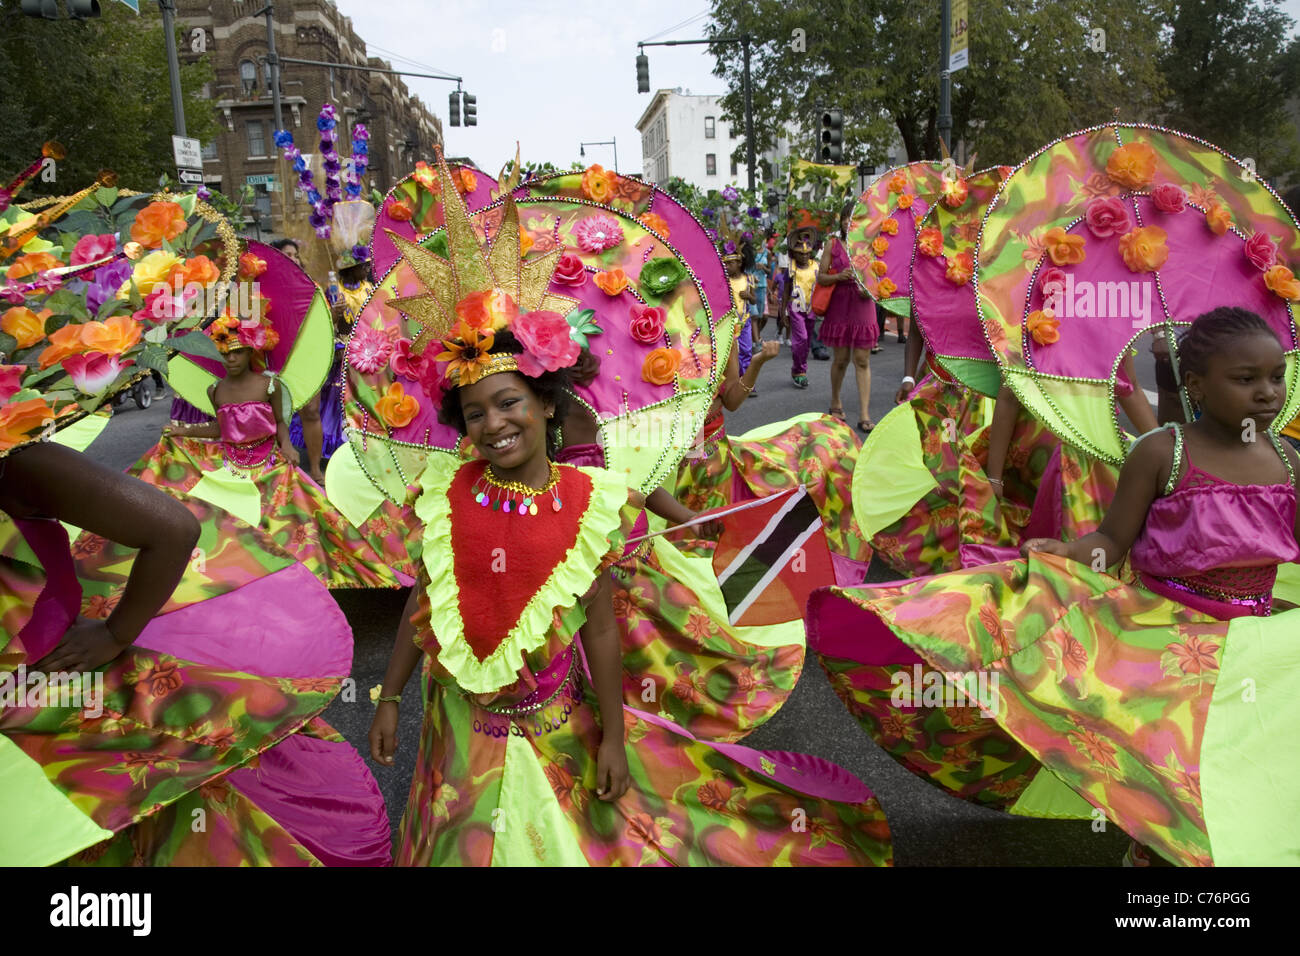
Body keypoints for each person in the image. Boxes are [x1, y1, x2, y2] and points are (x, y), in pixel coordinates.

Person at [370, 329, 892, 866]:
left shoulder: (586, 502)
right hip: (456, 723)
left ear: (546, 403)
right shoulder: (448, 497)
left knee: (558, 834)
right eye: (474, 413)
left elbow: (597, 629)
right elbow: (422, 599)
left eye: (508, 403)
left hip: (555, 719)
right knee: (462, 836)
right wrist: (389, 698)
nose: (494, 424)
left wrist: (614, 738)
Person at [814, 307, 1300, 865]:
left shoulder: (1287, 461)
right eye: (1246, 380)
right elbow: (1113, 541)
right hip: (1167, 638)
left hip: (1255, 640)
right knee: (1173, 760)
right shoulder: (1161, 453)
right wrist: (1069, 551)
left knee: (1245, 754)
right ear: (1196, 385)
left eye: (1276, 377)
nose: (1266, 393)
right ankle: (1163, 852)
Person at [0, 437, 391, 867]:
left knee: (174, 817)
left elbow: (173, 529)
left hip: (62, 686)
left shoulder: (17, 463)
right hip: (23, 715)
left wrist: (114, 634)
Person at [154, 312, 416, 590]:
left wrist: (287, 445)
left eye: (237, 353)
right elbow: (219, 429)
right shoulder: (215, 390)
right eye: (225, 354)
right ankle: (242, 577)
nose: (231, 359)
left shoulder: (269, 385)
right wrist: (184, 432)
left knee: (294, 524)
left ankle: (293, 578)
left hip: (269, 466)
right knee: (225, 524)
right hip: (231, 467)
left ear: (250, 350)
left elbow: (280, 422)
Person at [819, 200, 880, 433]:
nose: (848, 221)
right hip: (840, 305)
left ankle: (864, 413)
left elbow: (882, 275)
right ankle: (835, 400)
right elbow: (821, 278)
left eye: (853, 217)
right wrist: (838, 277)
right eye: (845, 217)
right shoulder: (832, 244)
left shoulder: (873, 245)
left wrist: (871, 288)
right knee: (841, 359)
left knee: (863, 360)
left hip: (863, 304)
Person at [779, 232, 819, 389]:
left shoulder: (816, 266)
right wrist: (783, 312)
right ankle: (799, 371)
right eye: (800, 254)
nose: (804, 256)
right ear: (794, 254)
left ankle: (800, 369)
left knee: (807, 342)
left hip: (811, 308)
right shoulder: (791, 268)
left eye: (807, 253)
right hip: (795, 308)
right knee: (800, 339)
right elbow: (786, 290)